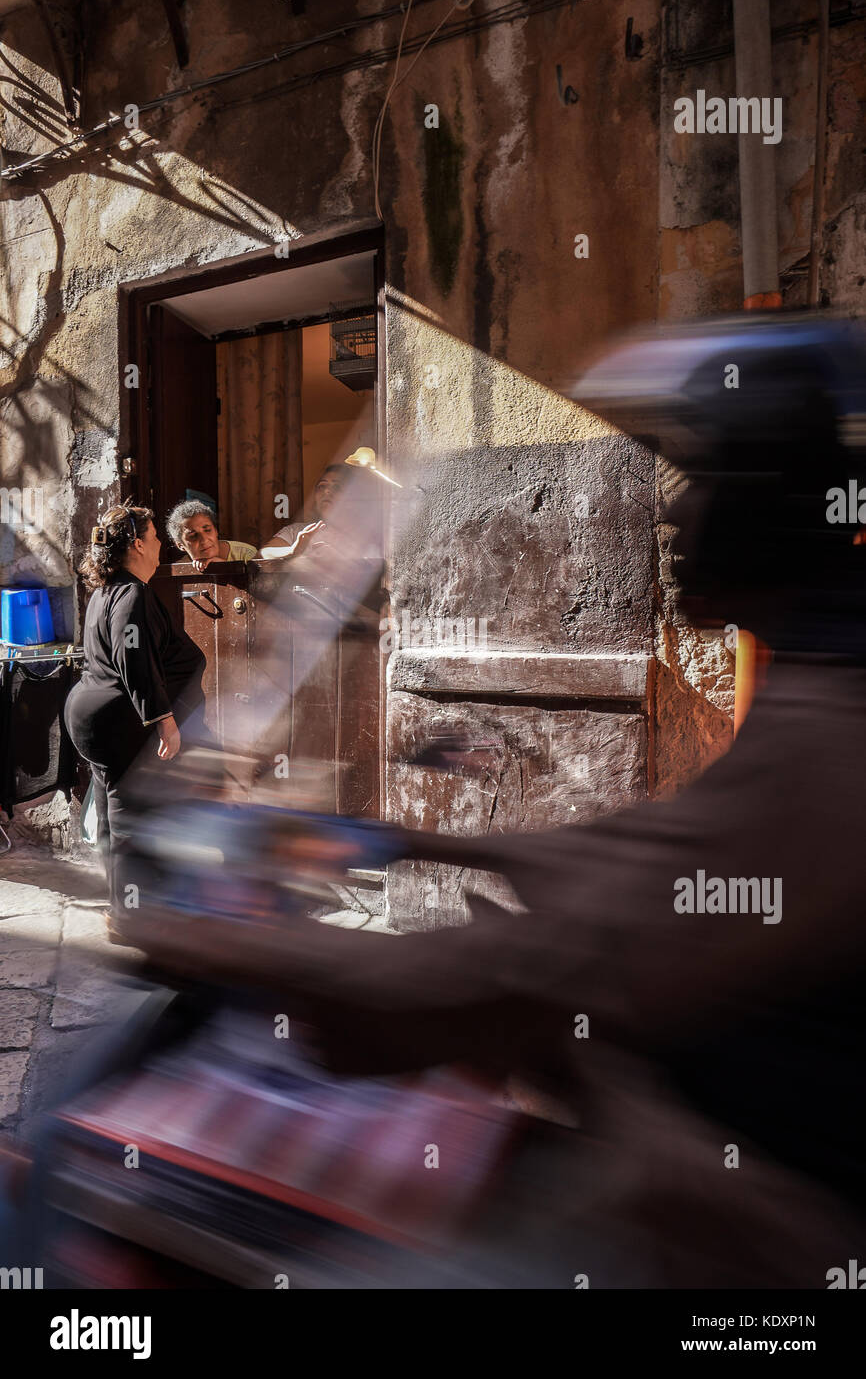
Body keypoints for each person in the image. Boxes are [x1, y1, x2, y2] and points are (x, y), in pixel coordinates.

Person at [129, 316, 866, 1286]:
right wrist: (395, 840)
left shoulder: (823, 735)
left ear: (768, 505)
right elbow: (639, 858)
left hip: (756, 1244)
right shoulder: (819, 689)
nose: (671, 519)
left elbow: (527, 965)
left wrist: (222, 943)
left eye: (703, 480)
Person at [64, 502, 206, 939]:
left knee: (113, 816)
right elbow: (133, 658)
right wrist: (163, 719)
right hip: (116, 722)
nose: (161, 542)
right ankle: (130, 918)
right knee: (129, 822)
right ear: (139, 544)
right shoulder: (132, 594)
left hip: (93, 717)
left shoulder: (108, 591)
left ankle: (125, 908)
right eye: (155, 534)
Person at [166, 500, 257, 571]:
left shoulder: (246, 554)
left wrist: (225, 567)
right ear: (180, 545)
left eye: (208, 530)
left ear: (216, 530)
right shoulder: (180, 569)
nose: (204, 539)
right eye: (193, 535)